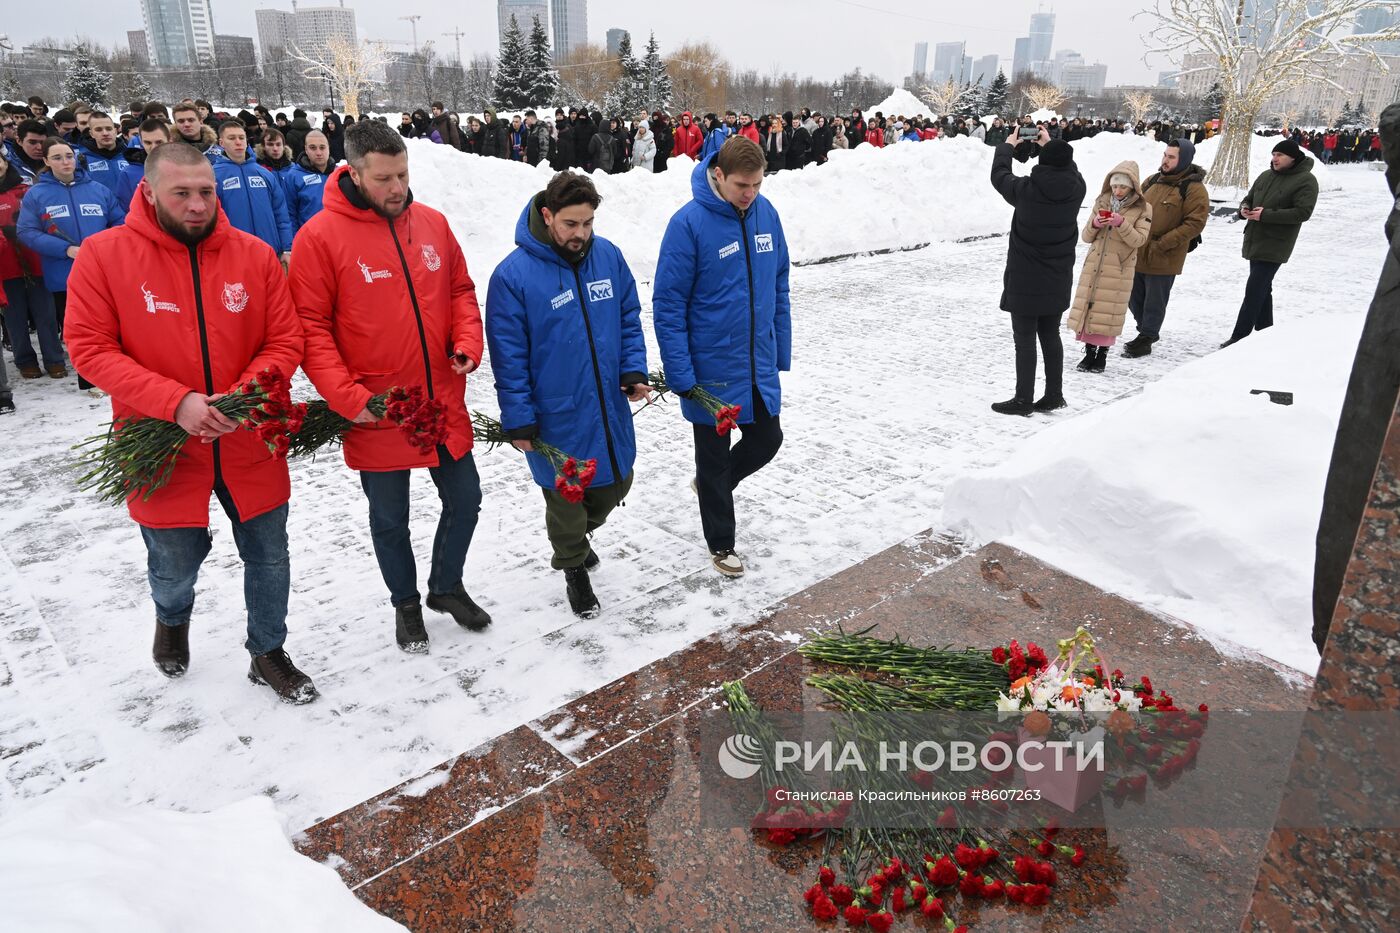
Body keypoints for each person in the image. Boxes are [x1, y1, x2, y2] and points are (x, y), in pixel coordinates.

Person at [63, 142, 317, 703]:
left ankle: (267, 650)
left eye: (206, 191)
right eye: (182, 193)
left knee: (269, 553)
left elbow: (285, 339)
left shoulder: (254, 256)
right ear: (149, 192)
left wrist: (240, 398)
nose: (198, 204)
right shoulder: (105, 257)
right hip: (161, 443)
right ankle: (172, 618)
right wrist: (175, 401)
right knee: (174, 561)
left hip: (246, 435)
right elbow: (88, 347)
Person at [289, 119, 491, 652]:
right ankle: (405, 604)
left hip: (440, 397)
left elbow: (460, 290)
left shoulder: (432, 224)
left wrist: (468, 340)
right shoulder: (319, 239)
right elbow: (311, 330)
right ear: (353, 173)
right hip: (378, 405)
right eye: (384, 179)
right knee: (389, 518)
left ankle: (445, 587)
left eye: (402, 174)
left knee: (466, 498)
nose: (398, 188)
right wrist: (351, 400)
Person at [486, 172, 649, 617]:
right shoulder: (513, 277)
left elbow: (628, 316)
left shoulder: (609, 257)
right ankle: (574, 566)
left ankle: (575, 541)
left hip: (606, 404)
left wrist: (633, 368)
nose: (581, 234)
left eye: (588, 223)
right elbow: (509, 356)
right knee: (567, 499)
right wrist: (517, 415)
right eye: (571, 224)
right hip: (556, 413)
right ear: (547, 215)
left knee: (617, 481)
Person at [653, 137, 791, 577]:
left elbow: (780, 283)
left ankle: (713, 487)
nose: (749, 193)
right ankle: (722, 544)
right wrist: (681, 372)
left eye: (756, 183)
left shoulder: (767, 215)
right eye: (740, 185)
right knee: (711, 458)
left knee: (768, 440)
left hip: (756, 359)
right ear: (718, 175)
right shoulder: (688, 224)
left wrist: (780, 346)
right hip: (709, 370)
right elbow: (668, 303)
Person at [988, 127, 1087, 415]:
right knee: (1050, 335)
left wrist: (1007, 145)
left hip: (1025, 278)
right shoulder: (1077, 187)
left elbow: (999, 176)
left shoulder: (1027, 191)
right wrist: (1050, 145)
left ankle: (1023, 400)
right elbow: (1070, 169)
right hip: (1057, 277)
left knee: (1025, 340)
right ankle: (1054, 394)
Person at [17, 137, 126, 389]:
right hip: (64, 273)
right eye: (56, 157)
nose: (65, 162)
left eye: (68, 156)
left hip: (102, 271)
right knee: (79, 328)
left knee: (110, 323)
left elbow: (120, 222)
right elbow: (27, 231)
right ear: (45, 161)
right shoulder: (37, 195)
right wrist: (66, 249)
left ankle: (115, 374)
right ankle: (87, 379)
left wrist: (103, 246)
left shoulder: (98, 189)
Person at [1225, 138, 1319, 346]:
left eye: (1280, 155)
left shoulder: (1306, 180)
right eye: (1274, 155)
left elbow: (1303, 212)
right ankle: (1266, 333)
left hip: (1276, 243)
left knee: (1254, 290)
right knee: (1262, 289)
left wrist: (1266, 215)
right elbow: (1248, 198)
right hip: (1255, 239)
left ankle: (1239, 337)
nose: (1275, 158)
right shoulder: (1266, 176)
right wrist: (1244, 209)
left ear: (1293, 158)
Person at [1123, 138, 1209, 357]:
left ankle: (1146, 337)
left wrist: (1163, 244)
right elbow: (1134, 207)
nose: (1165, 160)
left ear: (1184, 160)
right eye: (1165, 155)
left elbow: (1195, 223)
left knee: (1154, 300)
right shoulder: (1152, 181)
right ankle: (1146, 330)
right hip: (1139, 249)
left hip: (1165, 254)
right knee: (1134, 297)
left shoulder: (1194, 188)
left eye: (1171, 157)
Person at [1067, 163, 1153, 373]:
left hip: (1119, 267)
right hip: (1095, 264)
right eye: (1115, 186)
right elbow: (1086, 237)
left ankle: (1102, 356)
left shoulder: (1143, 208)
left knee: (1109, 311)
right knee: (1090, 308)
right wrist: (1095, 223)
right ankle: (1088, 353)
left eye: (1122, 187)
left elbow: (1139, 240)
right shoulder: (1102, 201)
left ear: (1132, 187)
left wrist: (1121, 223)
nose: (1117, 191)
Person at [1, 159, 60, 384]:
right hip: (6, 267)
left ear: (5, 162)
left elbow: (44, 218)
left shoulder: (27, 190)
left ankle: (54, 358)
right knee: (14, 319)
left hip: (34, 261)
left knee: (45, 314)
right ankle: (25, 361)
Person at [210, 121, 293, 265]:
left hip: (269, 251)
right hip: (233, 255)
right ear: (221, 143)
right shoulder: (214, 175)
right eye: (232, 138)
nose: (238, 142)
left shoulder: (263, 173)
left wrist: (286, 248)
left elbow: (280, 212)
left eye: (241, 138)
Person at [282, 129, 334, 234]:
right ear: (306, 149)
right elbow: (289, 214)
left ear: (328, 148)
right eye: (313, 148)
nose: (318, 153)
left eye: (322, 147)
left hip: (337, 237)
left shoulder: (338, 173)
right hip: (310, 238)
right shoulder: (294, 176)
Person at [116, 118, 170, 207]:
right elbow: (125, 209)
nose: (153, 147)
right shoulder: (128, 173)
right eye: (148, 143)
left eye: (159, 142)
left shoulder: (182, 167)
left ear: (169, 139)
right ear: (141, 142)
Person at [73, 111, 129, 197]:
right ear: (91, 134)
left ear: (115, 131)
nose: (105, 133)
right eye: (98, 130)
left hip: (131, 209)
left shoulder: (130, 155)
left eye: (109, 129)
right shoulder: (82, 160)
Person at [6, 119, 47, 184]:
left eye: (43, 142)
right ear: (19, 141)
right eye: (32, 142)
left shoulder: (53, 163)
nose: (39, 147)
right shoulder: (7, 167)